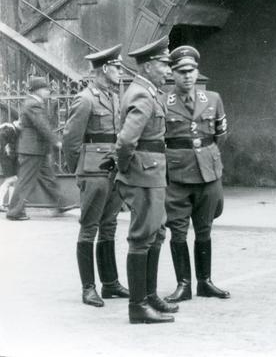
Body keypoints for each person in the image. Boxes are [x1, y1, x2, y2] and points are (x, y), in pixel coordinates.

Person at [115, 36, 177, 324]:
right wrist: (126, 169)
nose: (169, 70)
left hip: (151, 173)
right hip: (144, 174)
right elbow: (127, 140)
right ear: (150, 65)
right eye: (165, 64)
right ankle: (138, 306)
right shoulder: (142, 94)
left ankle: (149, 296)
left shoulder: (148, 92)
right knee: (142, 237)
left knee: (156, 233)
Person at [162, 46, 230, 303]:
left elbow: (220, 135)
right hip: (177, 176)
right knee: (178, 231)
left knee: (205, 229)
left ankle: (205, 281)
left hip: (208, 174)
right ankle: (183, 284)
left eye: (190, 71)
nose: (187, 76)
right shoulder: (163, 102)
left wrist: (206, 157)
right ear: (173, 74)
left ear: (197, 72)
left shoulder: (212, 99)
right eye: (181, 72)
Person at [63, 45, 129, 308]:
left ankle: (110, 283)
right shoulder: (85, 99)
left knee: (110, 225)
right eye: (117, 67)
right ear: (105, 69)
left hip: (112, 170)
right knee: (89, 227)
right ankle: (88, 288)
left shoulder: (114, 98)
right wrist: (78, 171)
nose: (120, 72)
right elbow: (70, 140)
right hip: (93, 171)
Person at [6, 77, 62, 221]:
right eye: (45, 89)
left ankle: (60, 203)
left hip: (36, 148)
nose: (48, 91)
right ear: (37, 90)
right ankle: (14, 211)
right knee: (25, 180)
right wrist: (56, 141)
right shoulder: (33, 104)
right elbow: (41, 125)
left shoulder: (34, 102)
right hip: (32, 149)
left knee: (48, 177)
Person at [0, 120, 20, 211]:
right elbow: (3, 140)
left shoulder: (12, 129)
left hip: (9, 158)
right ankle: (4, 203)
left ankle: (11, 204)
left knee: (12, 181)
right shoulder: (10, 128)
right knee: (11, 180)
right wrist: (7, 148)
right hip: (7, 158)